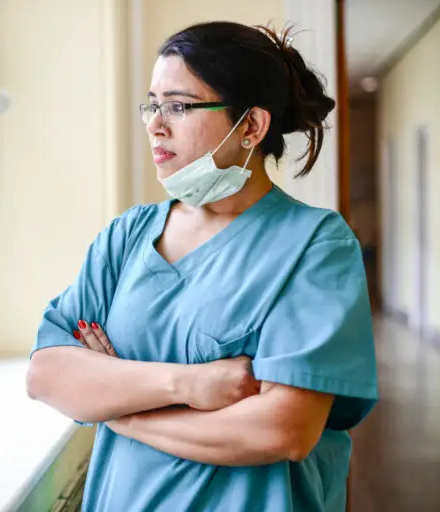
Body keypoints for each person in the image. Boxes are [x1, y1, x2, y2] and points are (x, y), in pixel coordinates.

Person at [26, 21, 378, 512]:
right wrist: (190, 385)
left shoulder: (314, 245)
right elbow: (46, 374)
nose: (154, 124)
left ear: (251, 126)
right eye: (152, 104)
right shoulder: (126, 237)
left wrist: (115, 405)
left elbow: (284, 428)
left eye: (179, 106)